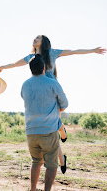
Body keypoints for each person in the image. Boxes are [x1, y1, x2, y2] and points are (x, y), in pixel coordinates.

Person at [0, 35, 107, 170]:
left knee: (54, 127)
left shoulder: (51, 53)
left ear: (44, 42)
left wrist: (93, 50)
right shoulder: (31, 57)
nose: (34, 39)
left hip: (52, 89)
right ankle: (62, 158)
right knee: (53, 129)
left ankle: (63, 134)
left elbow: (72, 51)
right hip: (39, 92)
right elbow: (14, 64)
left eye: (37, 38)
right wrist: (2, 67)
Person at [21, 54, 68, 191]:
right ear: (44, 68)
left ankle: (33, 189)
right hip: (48, 131)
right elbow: (64, 104)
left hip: (31, 132)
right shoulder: (52, 83)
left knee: (36, 162)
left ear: (30, 69)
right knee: (52, 165)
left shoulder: (25, 84)